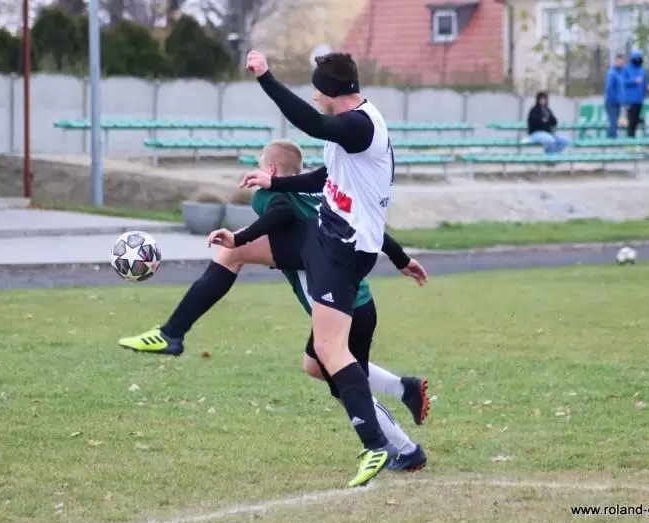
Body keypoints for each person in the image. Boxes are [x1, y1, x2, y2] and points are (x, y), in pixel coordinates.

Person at [118, 140, 430, 471]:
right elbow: (368, 228)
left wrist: (241, 238)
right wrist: (402, 260)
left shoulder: (268, 195)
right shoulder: (324, 194)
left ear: (270, 170)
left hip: (342, 307)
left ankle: (406, 450)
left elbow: (281, 211)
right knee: (315, 365)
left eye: (259, 165)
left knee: (344, 382)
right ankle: (404, 389)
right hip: (359, 302)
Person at [241, 50, 399, 487]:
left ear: (331, 92)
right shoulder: (350, 129)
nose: (313, 95)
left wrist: (266, 78)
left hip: (343, 249)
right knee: (320, 360)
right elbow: (324, 178)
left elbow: (312, 124)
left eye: (316, 89)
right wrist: (276, 182)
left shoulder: (358, 126)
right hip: (339, 245)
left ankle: (378, 445)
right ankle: (393, 435)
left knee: (331, 352)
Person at [622, 49, 648, 137]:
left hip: (639, 100)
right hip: (629, 100)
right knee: (631, 121)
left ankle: (633, 139)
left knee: (636, 121)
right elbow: (623, 82)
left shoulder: (642, 70)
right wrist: (633, 81)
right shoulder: (626, 69)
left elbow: (645, 83)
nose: (639, 60)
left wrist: (646, 88)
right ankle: (630, 140)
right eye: (637, 58)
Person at [604, 54, 626, 138]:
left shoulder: (620, 73)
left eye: (623, 61)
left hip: (617, 102)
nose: (622, 63)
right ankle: (612, 139)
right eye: (620, 61)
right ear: (616, 61)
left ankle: (612, 137)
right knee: (613, 121)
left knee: (615, 121)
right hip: (611, 102)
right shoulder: (612, 73)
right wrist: (615, 98)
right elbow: (609, 88)